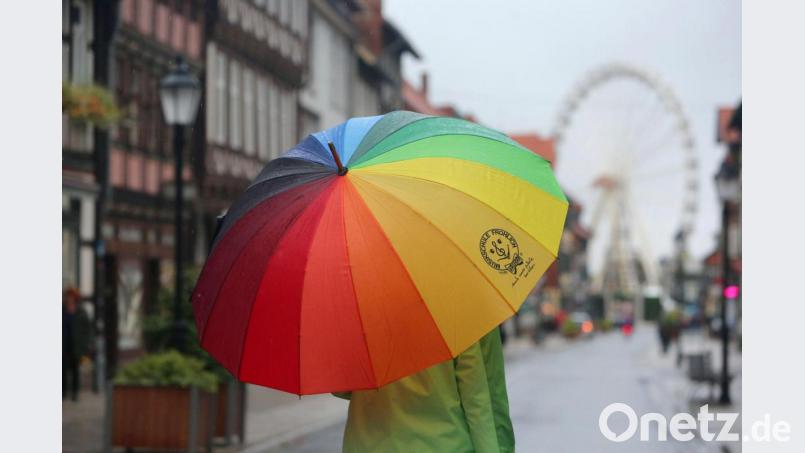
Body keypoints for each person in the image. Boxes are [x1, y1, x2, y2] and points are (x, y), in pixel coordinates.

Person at [335, 327, 514, 452]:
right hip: (442, 443)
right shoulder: (458, 307)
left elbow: (342, 387)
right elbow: (478, 399)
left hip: (367, 444)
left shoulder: (357, 302)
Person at [63, 288, 91, 401]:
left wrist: (86, 345)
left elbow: (87, 329)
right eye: (67, 296)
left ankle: (75, 393)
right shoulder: (62, 310)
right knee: (62, 369)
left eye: (71, 296)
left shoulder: (81, 311)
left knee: (75, 369)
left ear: (75, 298)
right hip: (64, 344)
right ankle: (63, 392)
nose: (69, 298)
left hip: (77, 345)